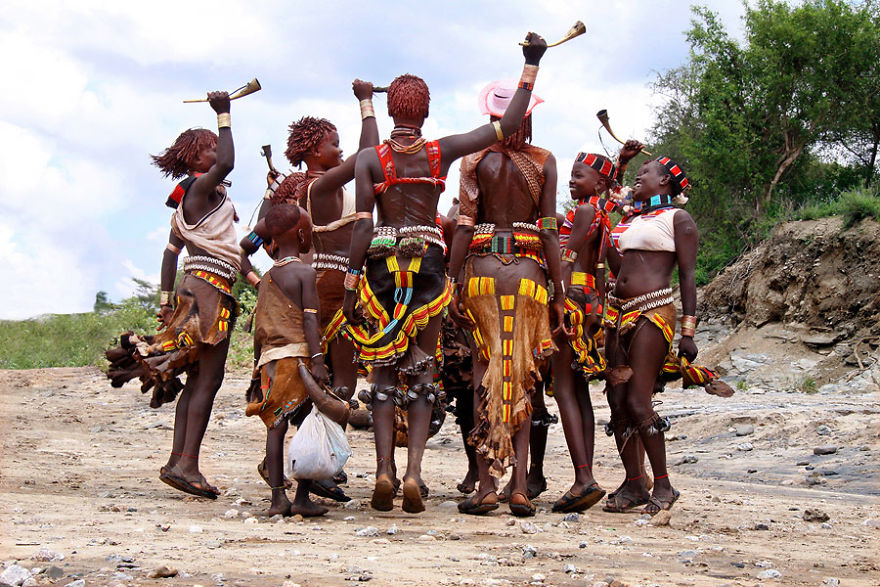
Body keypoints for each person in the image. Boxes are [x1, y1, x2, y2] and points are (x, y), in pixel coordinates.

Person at [342, 33, 549, 514]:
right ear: (426, 112)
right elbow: (509, 123)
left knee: (383, 372)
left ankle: (384, 471)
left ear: (392, 110)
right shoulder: (440, 152)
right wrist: (530, 66)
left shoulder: (372, 159)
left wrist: (352, 284)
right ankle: (414, 470)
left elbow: (360, 228)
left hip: (381, 267)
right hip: (431, 265)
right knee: (422, 370)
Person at [241, 81, 379, 502]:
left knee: (326, 379)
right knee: (337, 379)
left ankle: (309, 460)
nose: (340, 151)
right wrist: (366, 103)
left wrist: (261, 274)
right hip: (329, 287)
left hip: (319, 284)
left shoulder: (300, 190)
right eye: (334, 144)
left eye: (340, 145)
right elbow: (371, 153)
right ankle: (310, 464)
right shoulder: (318, 186)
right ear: (314, 152)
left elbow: (250, 244)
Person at [106, 91, 246, 498]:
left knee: (199, 378)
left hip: (193, 288)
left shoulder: (193, 201)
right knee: (209, 379)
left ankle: (178, 460)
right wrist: (224, 114)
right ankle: (186, 464)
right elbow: (229, 163)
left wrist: (165, 300)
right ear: (195, 160)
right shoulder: (201, 190)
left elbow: (170, 254)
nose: (218, 153)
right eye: (210, 150)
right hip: (208, 290)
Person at [446, 78, 565, 517]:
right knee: (521, 374)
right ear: (526, 116)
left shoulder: (475, 160)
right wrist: (559, 291)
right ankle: (519, 487)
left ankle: (485, 487)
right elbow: (550, 230)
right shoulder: (545, 161)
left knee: (484, 373)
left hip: (482, 275)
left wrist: (452, 278)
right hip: (530, 278)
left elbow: (463, 224)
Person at [601, 154, 697, 515]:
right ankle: (634, 482)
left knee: (639, 401)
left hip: (654, 311)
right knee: (617, 400)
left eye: (645, 173)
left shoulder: (678, 219)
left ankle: (664, 484)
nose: (638, 178)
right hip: (618, 313)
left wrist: (687, 331)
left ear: (666, 182)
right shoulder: (631, 219)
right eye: (637, 174)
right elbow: (617, 267)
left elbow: (687, 276)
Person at [245, 203, 343, 517]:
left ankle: (277, 499)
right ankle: (301, 497)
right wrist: (318, 361)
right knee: (307, 426)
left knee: (276, 427)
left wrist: (257, 366)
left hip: (271, 363)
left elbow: (259, 328)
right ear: (300, 234)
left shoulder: (268, 277)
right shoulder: (304, 272)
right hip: (299, 362)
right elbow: (311, 322)